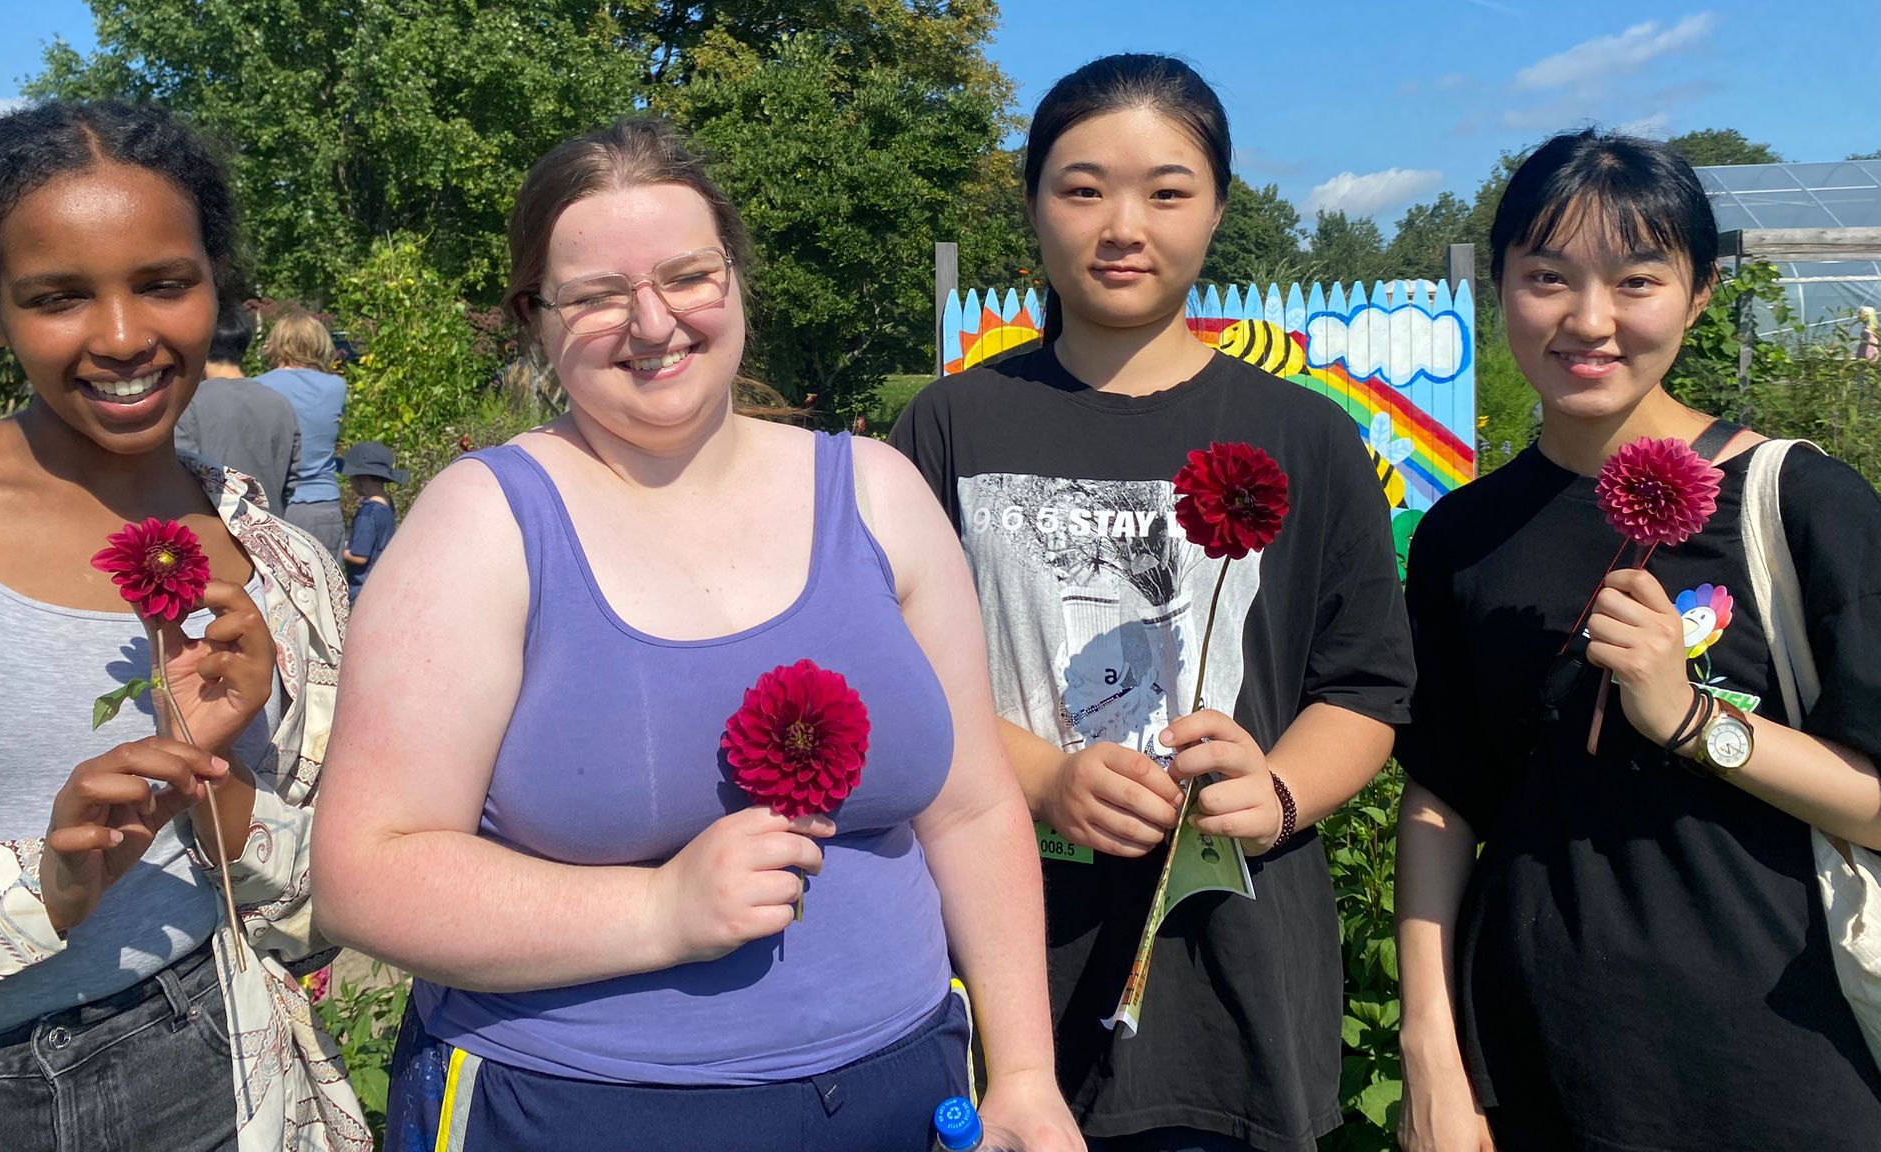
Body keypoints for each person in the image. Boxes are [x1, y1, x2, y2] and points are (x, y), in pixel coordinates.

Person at [309, 117, 1082, 1152]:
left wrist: (1024, 1073)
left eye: (686, 276)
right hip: (577, 1110)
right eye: (592, 296)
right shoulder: (483, 524)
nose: (651, 321)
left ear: (736, 279)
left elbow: (975, 806)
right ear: (535, 318)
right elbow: (368, 873)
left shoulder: (877, 495)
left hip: (905, 1090)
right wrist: (658, 913)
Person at [889, 54, 1414, 1152]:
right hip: (1000, 961)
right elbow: (895, 683)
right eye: (1081, 188)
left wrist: (1273, 794)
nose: (1122, 224)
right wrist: (1040, 778)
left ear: (1218, 207)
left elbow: (1362, 687)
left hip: (1232, 979)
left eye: (1166, 191)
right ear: (1032, 206)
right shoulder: (948, 432)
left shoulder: (1306, 436)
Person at [0, 100, 368, 1150]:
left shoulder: (284, 573)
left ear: (217, 288)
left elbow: (315, 901)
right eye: (58, 297)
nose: (123, 337)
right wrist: (41, 887)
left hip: (205, 1065)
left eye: (164, 283)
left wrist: (221, 798)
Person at [1394, 129, 1881, 1152]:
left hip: (1780, 1067)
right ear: (1498, 289)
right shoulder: (1463, 534)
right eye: (1545, 278)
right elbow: (1442, 799)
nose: (1587, 320)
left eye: (1635, 280)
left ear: (1699, 292)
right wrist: (1432, 1057)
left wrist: (1694, 720)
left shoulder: (1797, 505)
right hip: (1538, 1063)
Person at [175, 301, 303, 507]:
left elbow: (182, 477)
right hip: (269, 526)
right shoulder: (280, 404)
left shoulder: (189, 403)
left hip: (214, 530)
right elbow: (292, 480)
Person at [257, 309, 348, 557]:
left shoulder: (258, 386)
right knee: (326, 591)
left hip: (275, 504)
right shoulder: (335, 387)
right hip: (322, 503)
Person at [339, 441, 405, 603]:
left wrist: (336, 549)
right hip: (380, 584)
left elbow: (359, 556)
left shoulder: (367, 513)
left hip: (362, 589)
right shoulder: (387, 504)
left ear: (361, 479)